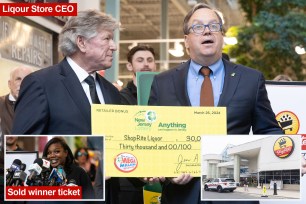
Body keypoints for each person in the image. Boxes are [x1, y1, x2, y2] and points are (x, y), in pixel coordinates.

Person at [148, 3, 283, 204]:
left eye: (214, 26)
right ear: (186, 41)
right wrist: (167, 170)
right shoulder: (162, 82)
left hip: (235, 194)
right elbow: (152, 137)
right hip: (182, 195)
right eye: (198, 27)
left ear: (221, 36)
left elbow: (269, 130)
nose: (207, 31)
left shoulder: (250, 80)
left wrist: (289, 155)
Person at [12, 9, 121, 203]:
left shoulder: (111, 92)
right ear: (81, 42)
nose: (114, 46)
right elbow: (23, 142)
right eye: (107, 39)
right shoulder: (41, 83)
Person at [118, 44, 157, 204]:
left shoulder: (164, 95)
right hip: (130, 178)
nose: (146, 64)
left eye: (150, 60)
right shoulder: (120, 98)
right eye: (140, 60)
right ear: (129, 66)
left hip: (161, 175)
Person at [0, 66, 33, 137]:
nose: (23, 84)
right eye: (18, 79)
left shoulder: (41, 107)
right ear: (10, 84)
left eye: (27, 79)